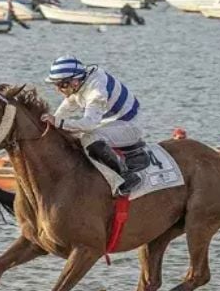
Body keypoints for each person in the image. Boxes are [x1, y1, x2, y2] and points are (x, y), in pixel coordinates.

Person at [40, 56, 143, 195]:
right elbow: (67, 107)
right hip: (112, 123)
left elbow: (88, 124)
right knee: (73, 133)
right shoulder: (82, 83)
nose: (59, 90)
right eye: (56, 85)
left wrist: (58, 122)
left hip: (129, 127)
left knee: (89, 138)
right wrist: (51, 123)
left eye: (62, 85)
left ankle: (126, 177)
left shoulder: (96, 91)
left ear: (75, 81)